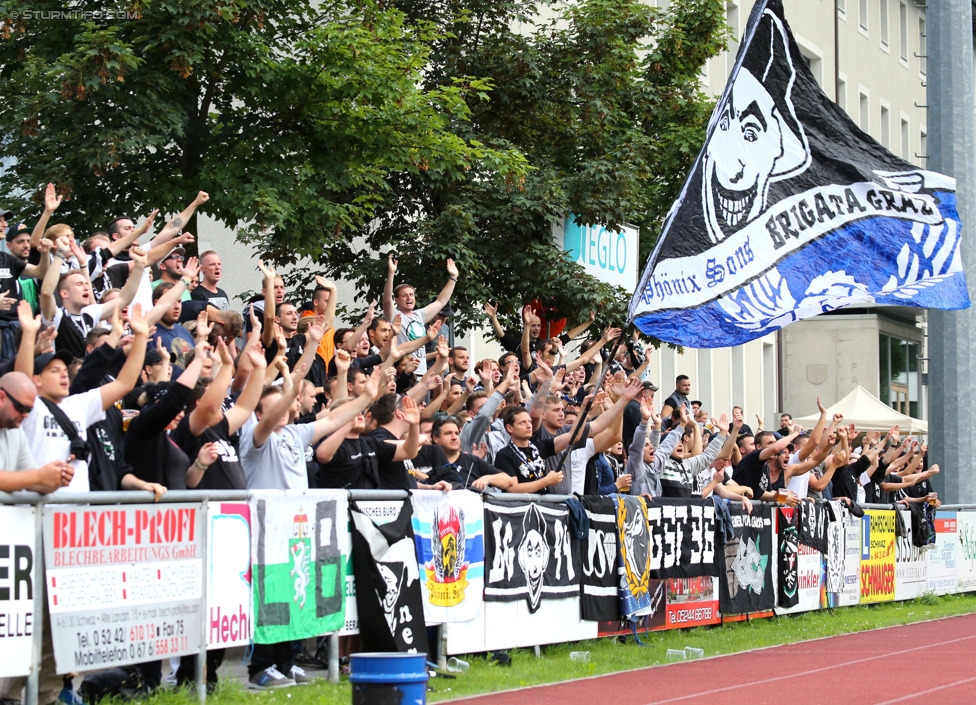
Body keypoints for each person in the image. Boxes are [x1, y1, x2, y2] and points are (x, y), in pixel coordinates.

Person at [382, 253, 458, 375]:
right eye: (404, 295)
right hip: (402, 372)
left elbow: (441, 301)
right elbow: (386, 300)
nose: (409, 298)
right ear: (396, 299)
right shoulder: (394, 315)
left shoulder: (419, 315)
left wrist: (453, 278)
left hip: (422, 372)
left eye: (411, 295)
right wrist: (391, 273)